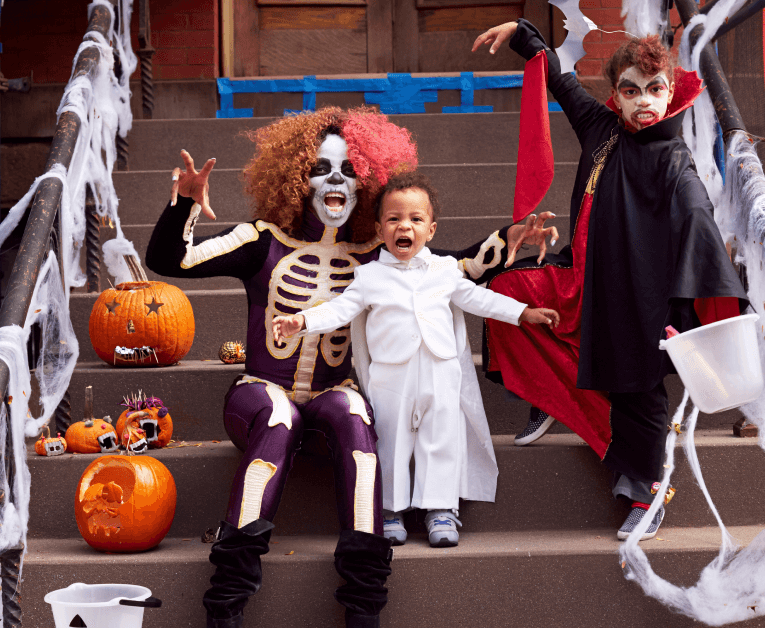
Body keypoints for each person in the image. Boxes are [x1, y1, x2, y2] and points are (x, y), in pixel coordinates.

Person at [145, 107, 557, 628]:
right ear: (297, 177)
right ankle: (225, 604)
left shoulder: (375, 254)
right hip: (260, 391)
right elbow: (171, 261)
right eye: (321, 168)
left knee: (356, 418)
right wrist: (184, 201)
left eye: (348, 171)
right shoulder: (261, 241)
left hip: (328, 394)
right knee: (278, 418)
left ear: (367, 186)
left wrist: (509, 241)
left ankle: (364, 607)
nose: (335, 179)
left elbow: (453, 267)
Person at [470, 21, 748, 540]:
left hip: (637, 299)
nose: (644, 101)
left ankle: (649, 490)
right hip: (583, 279)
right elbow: (562, 82)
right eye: (631, 90)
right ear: (616, 97)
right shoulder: (601, 129)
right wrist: (523, 36)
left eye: (655, 89)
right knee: (507, 292)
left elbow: (697, 222)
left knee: (639, 394)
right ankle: (548, 397)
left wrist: (684, 312)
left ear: (670, 94)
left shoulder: (674, 160)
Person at [272, 172, 560, 549]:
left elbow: (478, 299)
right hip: (392, 374)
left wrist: (522, 312)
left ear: (432, 230)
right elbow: (341, 309)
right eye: (393, 219)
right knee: (390, 440)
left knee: (440, 438)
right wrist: (302, 320)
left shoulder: (444, 271)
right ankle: (390, 509)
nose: (403, 226)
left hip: (441, 369)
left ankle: (440, 507)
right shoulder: (369, 276)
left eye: (415, 219)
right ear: (380, 228)